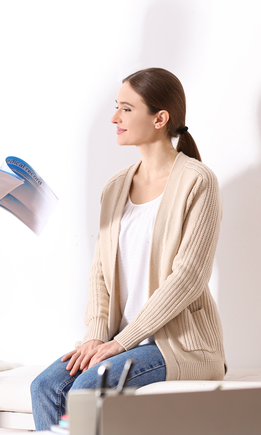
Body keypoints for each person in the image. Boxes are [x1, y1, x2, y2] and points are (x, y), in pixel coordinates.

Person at [30, 67, 226, 430]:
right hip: (121, 340)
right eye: (116, 107)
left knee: (89, 388)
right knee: (45, 387)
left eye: (126, 109)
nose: (114, 117)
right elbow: (101, 272)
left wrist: (121, 342)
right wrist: (94, 338)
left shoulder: (198, 181)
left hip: (178, 345)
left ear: (159, 119)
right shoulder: (115, 187)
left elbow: (188, 279)